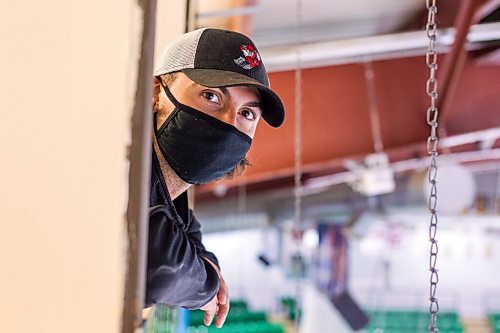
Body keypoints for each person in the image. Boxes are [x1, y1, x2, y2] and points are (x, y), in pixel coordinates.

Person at [145, 27, 285, 328]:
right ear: (157, 93)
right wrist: (206, 286)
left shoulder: (174, 199)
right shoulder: (127, 167)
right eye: (211, 96)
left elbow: (189, 233)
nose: (227, 123)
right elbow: (161, 266)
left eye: (247, 114)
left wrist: (207, 264)